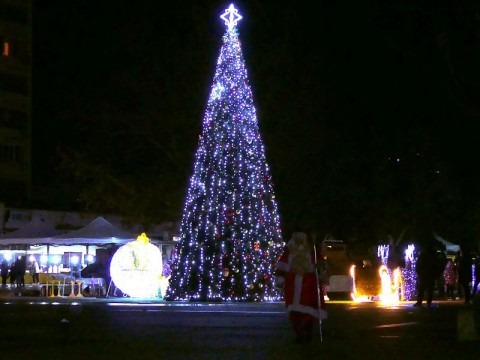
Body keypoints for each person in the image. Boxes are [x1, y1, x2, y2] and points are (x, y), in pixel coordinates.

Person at [276, 232, 327, 343]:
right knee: (294, 312)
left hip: (308, 284)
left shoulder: (311, 251)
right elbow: (281, 266)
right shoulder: (289, 252)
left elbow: (320, 264)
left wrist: (320, 271)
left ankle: (307, 333)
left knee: (308, 311)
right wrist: (280, 277)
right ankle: (299, 335)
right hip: (292, 285)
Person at [414, 243, 441, 307]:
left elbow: (418, 264)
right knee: (429, 289)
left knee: (422, 288)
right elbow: (437, 265)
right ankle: (428, 302)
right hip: (430, 274)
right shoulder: (434, 255)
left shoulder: (423, 254)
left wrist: (418, 271)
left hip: (424, 274)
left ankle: (420, 301)